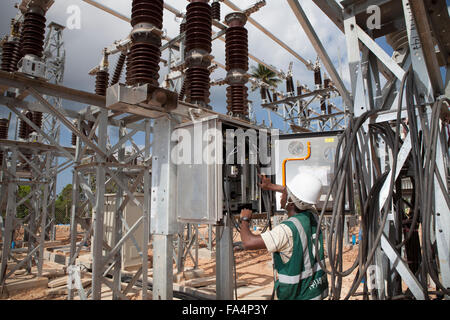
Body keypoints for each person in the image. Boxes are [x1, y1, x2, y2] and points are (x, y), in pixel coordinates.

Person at [239, 172, 328, 300]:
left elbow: (248, 242)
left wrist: (245, 219)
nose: (281, 195)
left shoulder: (286, 231)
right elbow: (301, 196)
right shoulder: (312, 214)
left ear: (291, 202)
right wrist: (270, 186)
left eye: (285, 194)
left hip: (297, 295)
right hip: (315, 292)